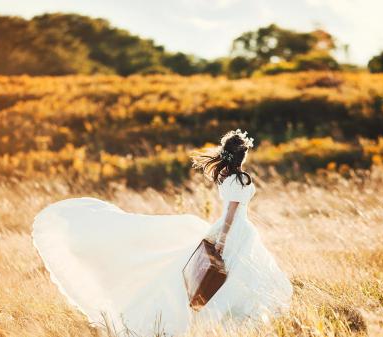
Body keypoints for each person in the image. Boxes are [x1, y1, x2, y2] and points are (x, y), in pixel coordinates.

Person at [32, 129, 292, 336]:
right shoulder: (239, 179)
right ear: (241, 156)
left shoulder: (232, 178)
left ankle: (230, 320)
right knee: (234, 274)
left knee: (232, 275)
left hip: (234, 229)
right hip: (234, 230)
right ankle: (225, 319)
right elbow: (233, 212)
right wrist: (222, 239)